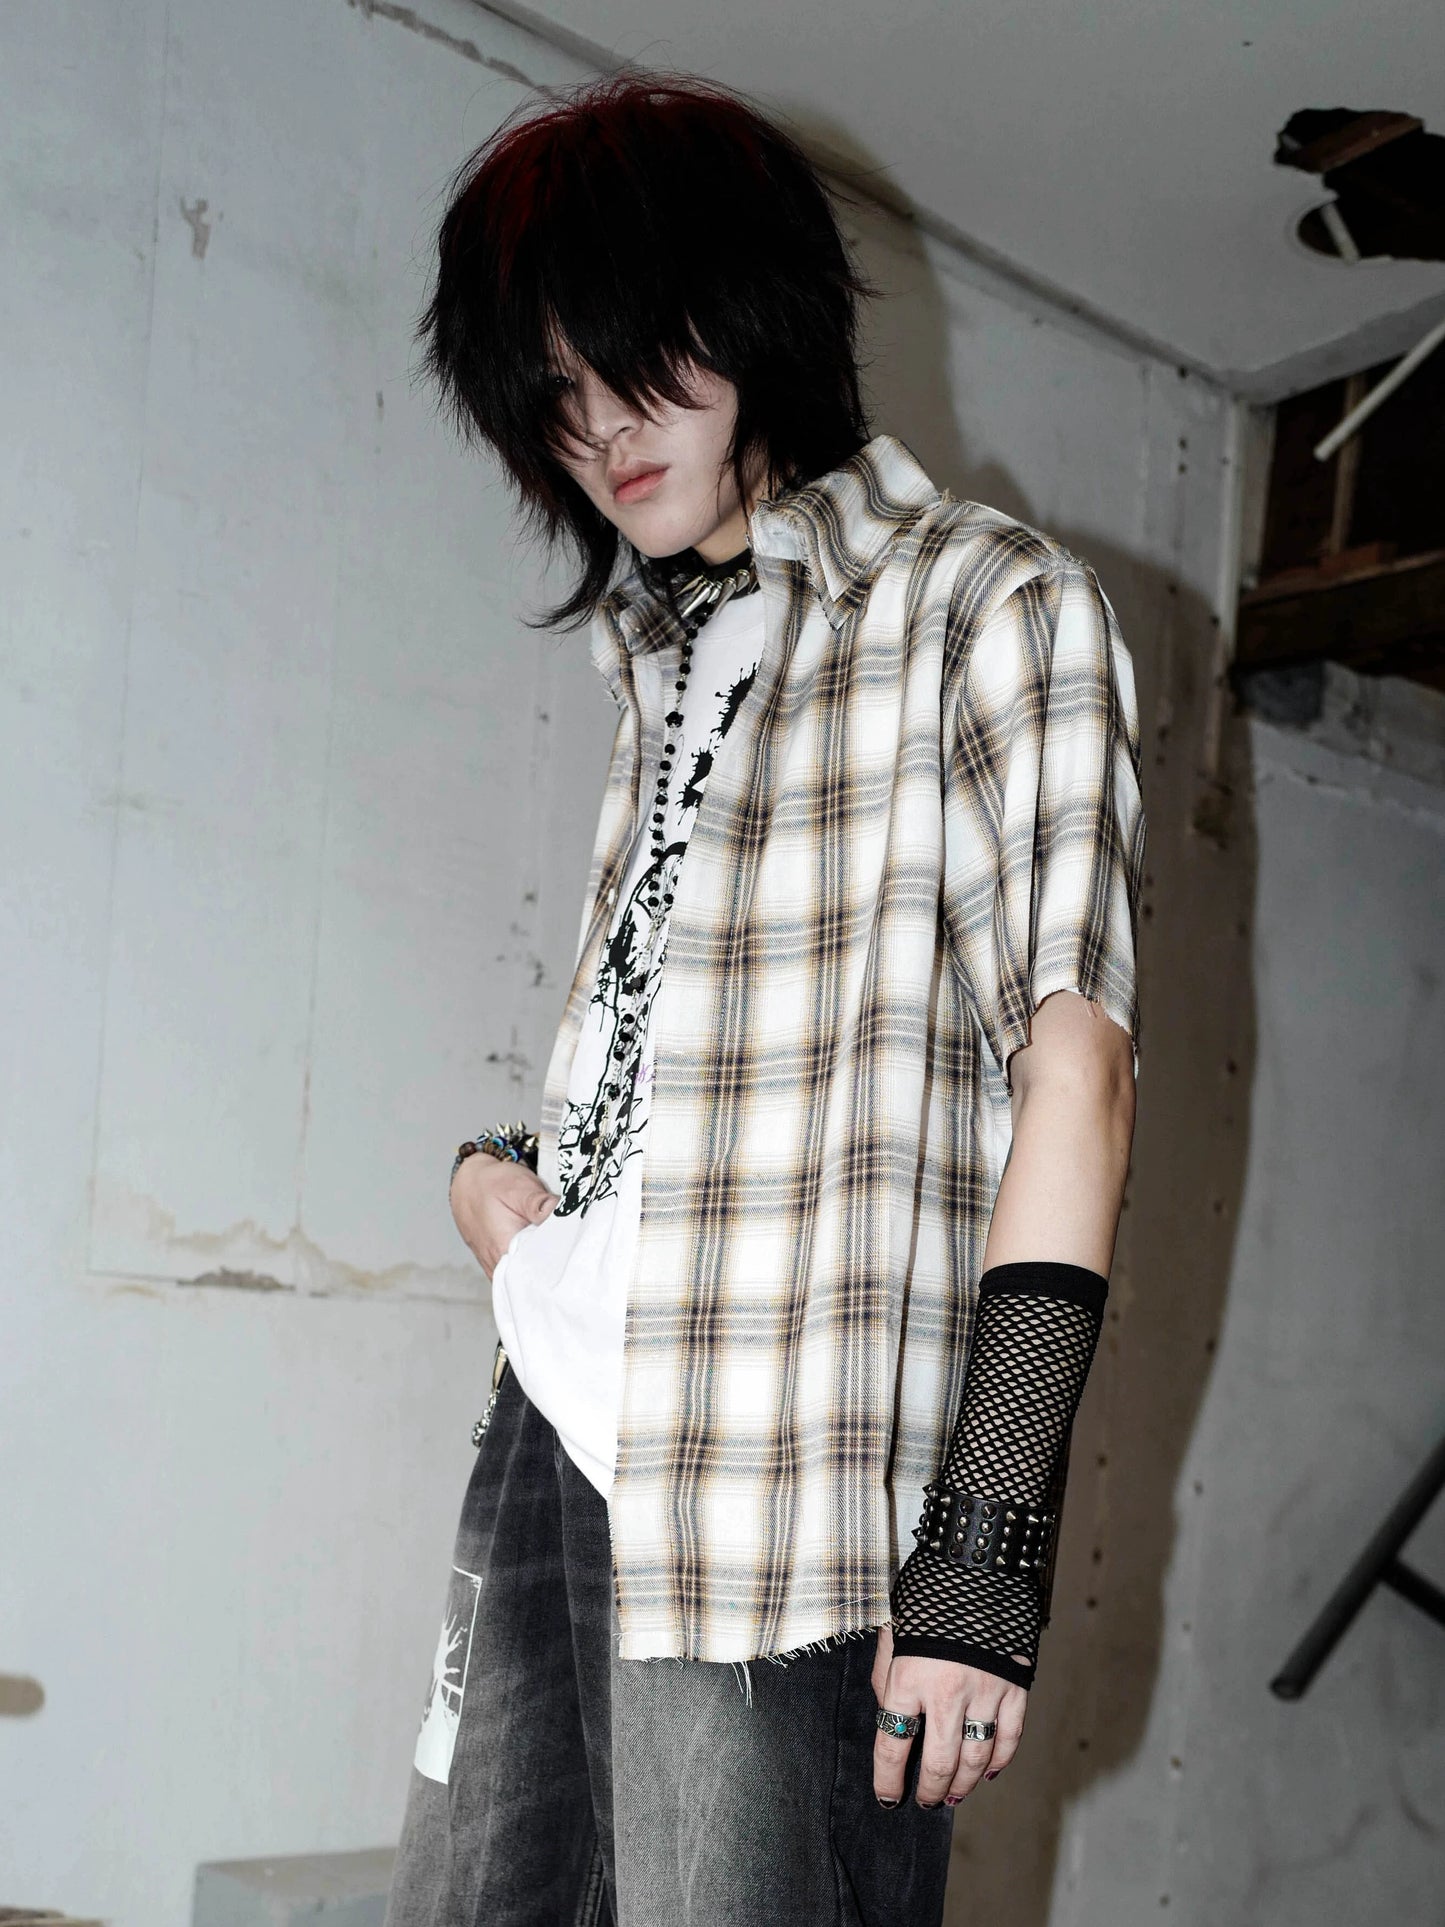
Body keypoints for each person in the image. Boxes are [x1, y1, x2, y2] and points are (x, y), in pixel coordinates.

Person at [385, 70, 1143, 1927]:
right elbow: (664, 1061)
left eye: (628, 354)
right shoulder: (661, 665)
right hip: (551, 1427)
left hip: (780, 1491)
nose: (595, 426)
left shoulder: (982, 603)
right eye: (550, 392)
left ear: (748, 308)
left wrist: (981, 1558)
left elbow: (1077, 1073)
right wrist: (504, 1188)